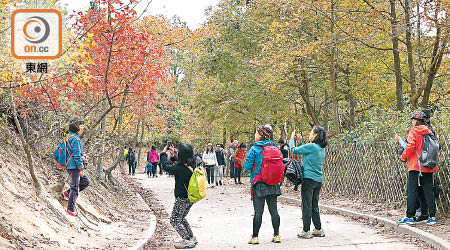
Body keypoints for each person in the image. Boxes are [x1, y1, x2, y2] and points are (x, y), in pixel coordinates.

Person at [396, 111, 438, 225]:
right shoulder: (429, 131)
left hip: (415, 166)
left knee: (411, 191)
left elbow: (410, 147)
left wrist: (403, 156)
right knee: (428, 191)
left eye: (413, 119)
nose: (412, 121)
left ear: (416, 120)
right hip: (428, 166)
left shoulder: (414, 131)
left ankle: (409, 216)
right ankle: (432, 217)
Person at [244, 124, 281, 244]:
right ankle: (276, 235)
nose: (255, 135)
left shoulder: (254, 149)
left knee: (258, 212)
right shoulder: (275, 148)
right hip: (274, 183)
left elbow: (247, 166)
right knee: (274, 210)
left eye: (256, 133)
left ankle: (254, 237)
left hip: (259, 183)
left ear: (261, 135)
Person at [291, 126, 328, 239]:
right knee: (314, 205)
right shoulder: (320, 148)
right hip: (318, 180)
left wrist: (292, 139)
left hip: (308, 179)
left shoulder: (311, 146)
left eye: (311, 132)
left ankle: (306, 230)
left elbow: (293, 150)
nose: (310, 134)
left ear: (315, 135)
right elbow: (307, 152)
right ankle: (318, 229)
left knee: (306, 205)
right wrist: (301, 141)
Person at [160, 143, 198, 249]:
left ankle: (186, 240)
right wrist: (174, 156)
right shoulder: (193, 163)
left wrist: (163, 153)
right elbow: (182, 164)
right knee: (181, 217)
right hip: (191, 197)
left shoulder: (180, 168)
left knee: (174, 219)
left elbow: (166, 167)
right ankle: (191, 237)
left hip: (182, 198)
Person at [63, 118, 90, 217]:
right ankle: (70, 209)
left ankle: (67, 193)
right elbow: (76, 155)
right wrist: (81, 168)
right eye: (81, 125)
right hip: (74, 166)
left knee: (85, 182)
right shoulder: (76, 139)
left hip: (70, 165)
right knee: (75, 187)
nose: (83, 127)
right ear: (76, 126)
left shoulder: (70, 136)